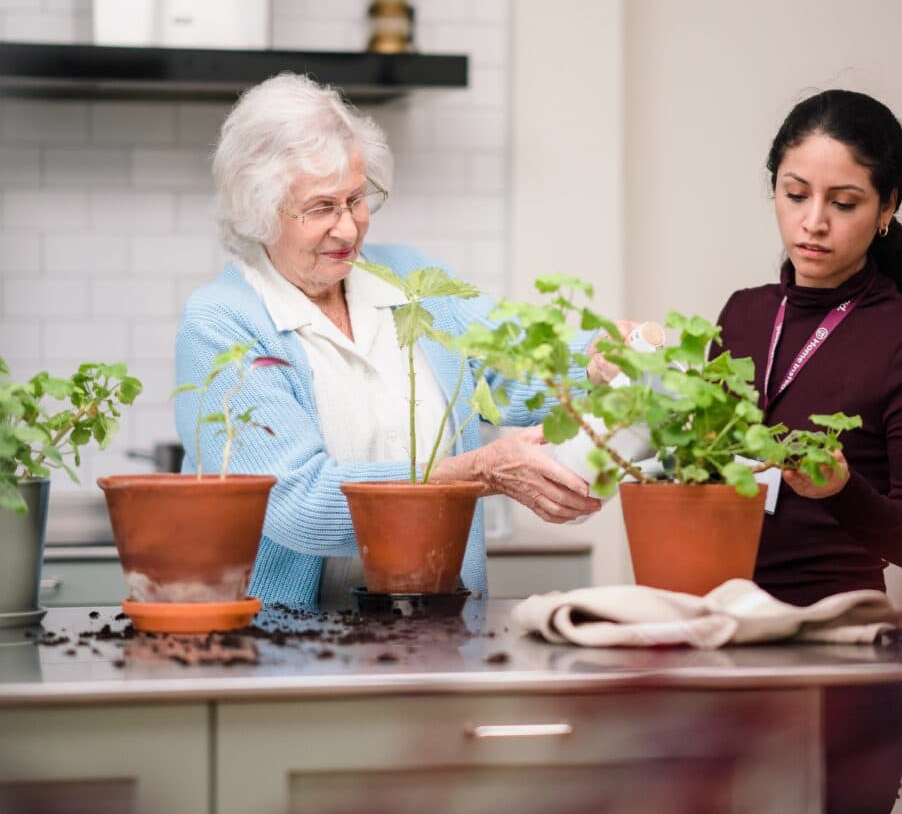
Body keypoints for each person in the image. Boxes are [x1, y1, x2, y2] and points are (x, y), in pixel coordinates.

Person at [175, 72, 610, 608]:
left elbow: (504, 367)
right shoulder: (223, 322)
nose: (349, 228)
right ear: (261, 213)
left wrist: (595, 360)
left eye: (356, 199)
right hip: (279, 646)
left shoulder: (408, 278)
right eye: (320, 208)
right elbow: (295, 502)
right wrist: (469, 475)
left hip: (435, 623)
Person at [715, 89, 902, 814]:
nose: (813, 221)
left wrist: (841, 488)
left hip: (842, 671)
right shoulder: (744, 314)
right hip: (729, 648)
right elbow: (710, 479)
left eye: (844, 201)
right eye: (796, 194)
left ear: (888, 208)